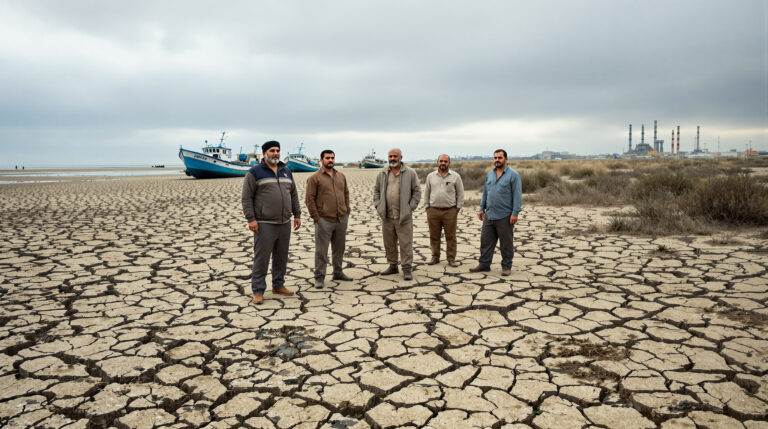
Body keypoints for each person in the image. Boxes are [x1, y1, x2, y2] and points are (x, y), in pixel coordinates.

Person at [242, 141, 301, 304]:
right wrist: (251, 219)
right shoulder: (254, 172)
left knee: (281, 257)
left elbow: (293, 194)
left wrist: (297, 214)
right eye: (272, 150)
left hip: (284, 222)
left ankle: (278, 285)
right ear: (264, 153)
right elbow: (246, 198)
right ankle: (258, 291)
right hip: (264, 223)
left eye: (277, 150)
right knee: (261, 259)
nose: (275, 153)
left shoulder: (286, 171)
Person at [470, 149, 521, 276]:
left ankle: (506, 266)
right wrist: (482, 208)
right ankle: (484, 264)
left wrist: (515, 213)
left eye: (500, 158)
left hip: (505, 215)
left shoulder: (513, 175)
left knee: (506, 244)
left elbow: (517, 196)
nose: (497, 160)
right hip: (489, 214)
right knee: (486, 241)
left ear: (506, 159)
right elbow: (485, 193)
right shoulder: (490, 174)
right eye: (495, 158)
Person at [305, 149, 352, 289]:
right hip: (324, 219)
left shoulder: (341, 176)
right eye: (327, 158)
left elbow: (346, 193)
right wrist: (316, 217)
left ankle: (338, 272)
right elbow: (309, 199)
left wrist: (347, 210)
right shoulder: (315, 178)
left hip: (341, 218)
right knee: (321, 250)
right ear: (321, 160)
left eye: (332, 158)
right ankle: (319, 277)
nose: (330, 160)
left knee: (339, 248)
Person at [373, 148, 421, 280]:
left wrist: (410, 207)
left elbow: (417, 192)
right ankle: (393, 266)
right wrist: (378, 205)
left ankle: (406, 268)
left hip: (403, 216)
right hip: (387, 216)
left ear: (401, 157)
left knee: (406, 243)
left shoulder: (410, 173)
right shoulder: (382, 173)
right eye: (390, 156)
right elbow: (376, 191)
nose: (392, 159)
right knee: (389, 243)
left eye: (395, 156)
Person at [424, 154, 464, 267]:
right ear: (437, 162)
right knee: (434, 236)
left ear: (449, 163)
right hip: (433, 211)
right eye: (441, 161)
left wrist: (457, 208)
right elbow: (426, 192)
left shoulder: (455, 176)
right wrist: (427, 206)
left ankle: (451, 259)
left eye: (445, 161)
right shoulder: (430, 176)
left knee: (451, 236)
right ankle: (435, 257)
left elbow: (460, 193)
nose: (443, 163)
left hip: (450, 211)